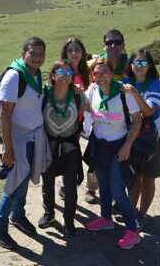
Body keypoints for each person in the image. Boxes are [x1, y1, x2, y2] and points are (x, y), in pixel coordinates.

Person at [0, 37, 52, 251]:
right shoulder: (14, 76)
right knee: (13, 183)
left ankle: (18, 216)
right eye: (32, 53)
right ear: (24, 53)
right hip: (18, 137)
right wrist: (8, 149)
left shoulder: (34, 75)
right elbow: (4, 114)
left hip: (33, 135)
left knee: (24, 180)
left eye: (41, 54)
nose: (37, 58)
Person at [84, 60, 142, 250]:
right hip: (99, 146)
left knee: (118, 190)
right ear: (92, 76)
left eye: (105, 72)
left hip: (119, 146)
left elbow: (137, 121)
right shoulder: (92, 91)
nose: (101, 77)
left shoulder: (124, 92)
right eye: (97, 74)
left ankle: (133, 231)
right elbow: (83, 106)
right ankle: (106, 219)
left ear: (112, 73)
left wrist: (127, 145)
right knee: (104, 185)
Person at [39, 59, 85, 237]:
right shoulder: (44, 93)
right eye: (61, 73)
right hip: (48, 144)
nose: (65, 77)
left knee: (71, 186)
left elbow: (94, 109)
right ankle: (49, 213)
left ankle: (69, 221)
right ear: (52, 75)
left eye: (68, 74)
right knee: (48, 182)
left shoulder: (77, 94)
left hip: (70, 145)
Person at [124, 48, 160, 224]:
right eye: (136, 62)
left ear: (149, 65)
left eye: (143, 63)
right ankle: (131, 213)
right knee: (134, 178)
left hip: (154, 137)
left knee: (148, 177)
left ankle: (141, 214)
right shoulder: (126, 81)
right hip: (133, 135)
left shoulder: (156, 84)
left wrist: (134, 92)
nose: (139, 66)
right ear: (131, 65)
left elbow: (149, 111)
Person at [58, 37, 95, 204]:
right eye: (70, 50)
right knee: (67, 157)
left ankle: (66, 186)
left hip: (78, 122)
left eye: (77, 50)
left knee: (71, 156)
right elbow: (55, 95)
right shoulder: (61, 69)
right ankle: (63, 189)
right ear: (65, 53)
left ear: (82, 52)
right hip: (62, 122)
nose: (74, 53)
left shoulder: (84, 72)